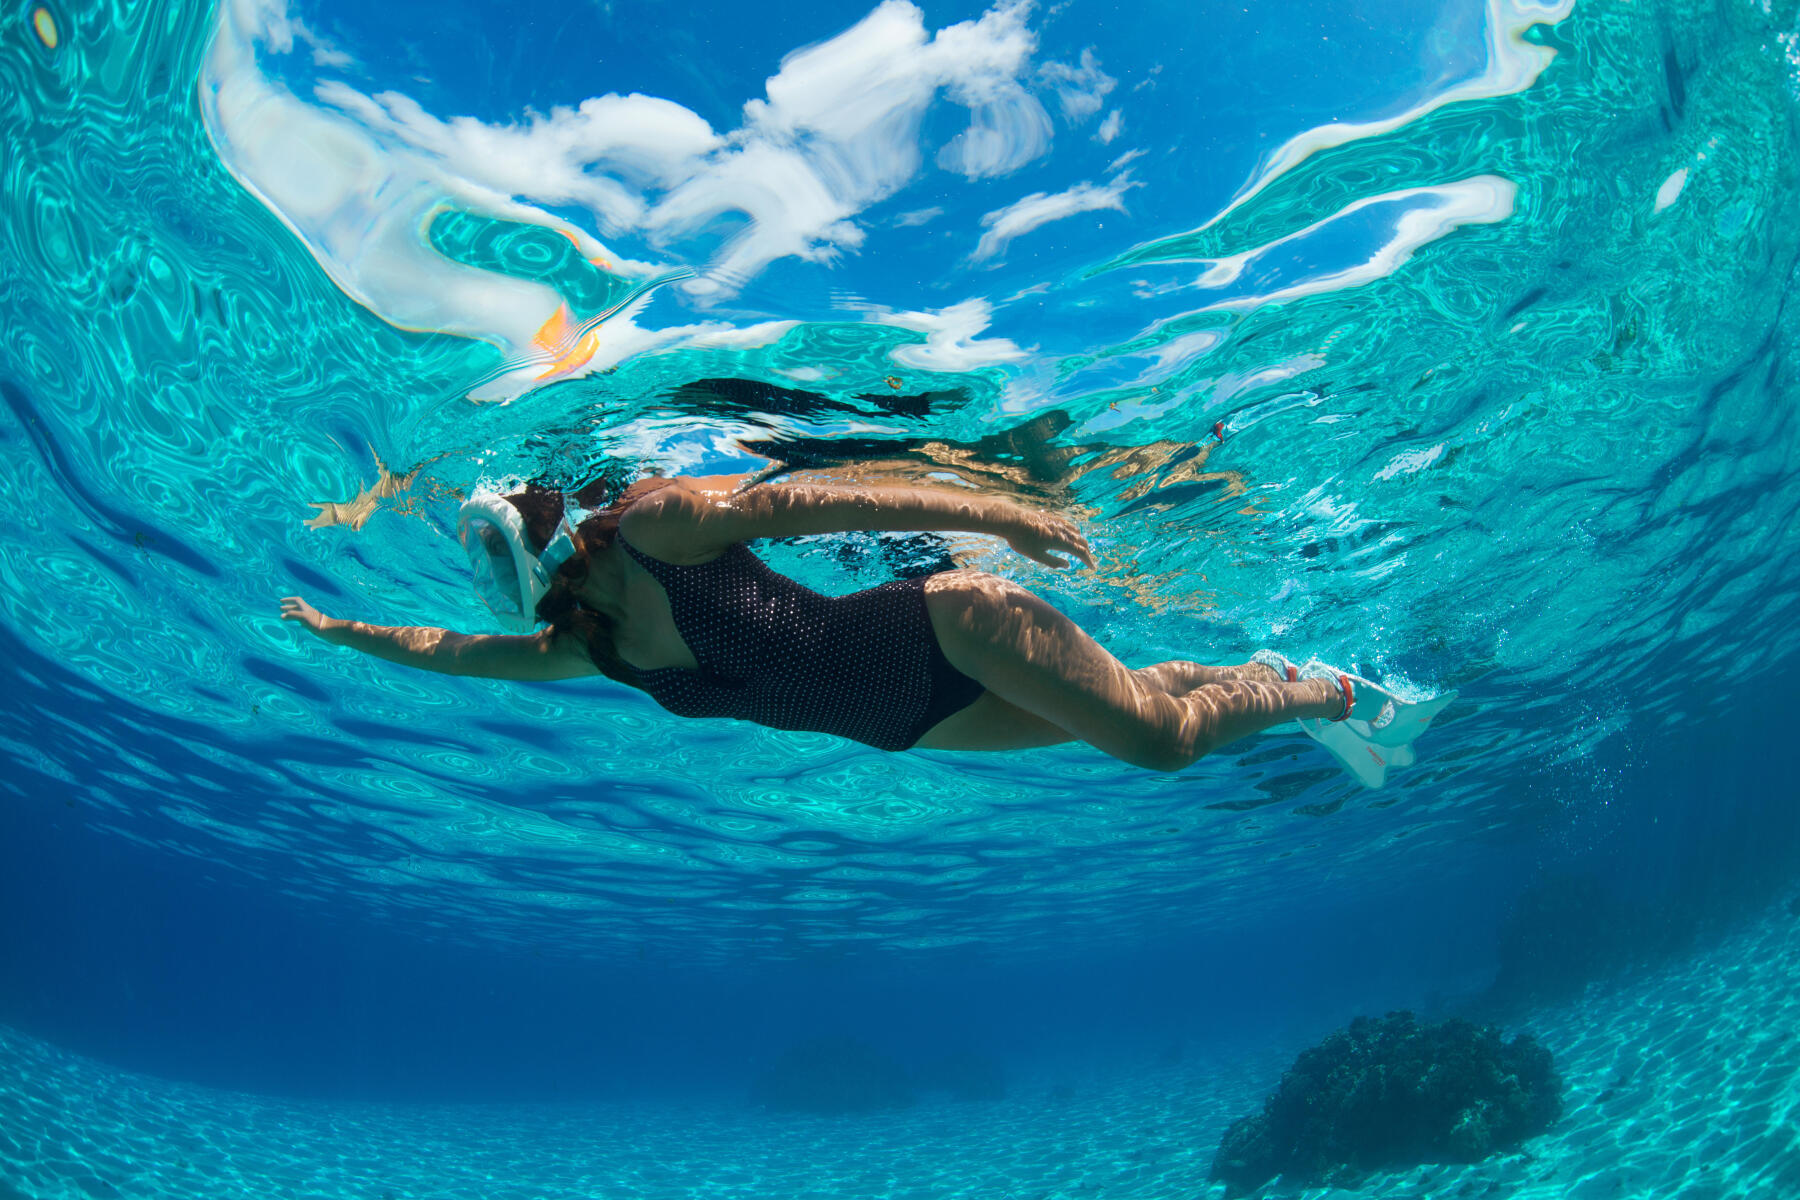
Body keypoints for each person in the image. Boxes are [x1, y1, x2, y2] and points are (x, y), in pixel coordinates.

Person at [280, 474, 1415, 773]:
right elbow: (458, 657)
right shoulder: (590, 645)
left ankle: (1325, 693)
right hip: (912, 725)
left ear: (543, 531)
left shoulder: (659, 527)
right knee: (1142, 700)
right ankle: (1257, 671)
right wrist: (342, 634)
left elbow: (831, 501)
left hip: (946, 629)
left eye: (498, 550)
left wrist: (998, 516)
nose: (497, 582)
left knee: (1161, 743)